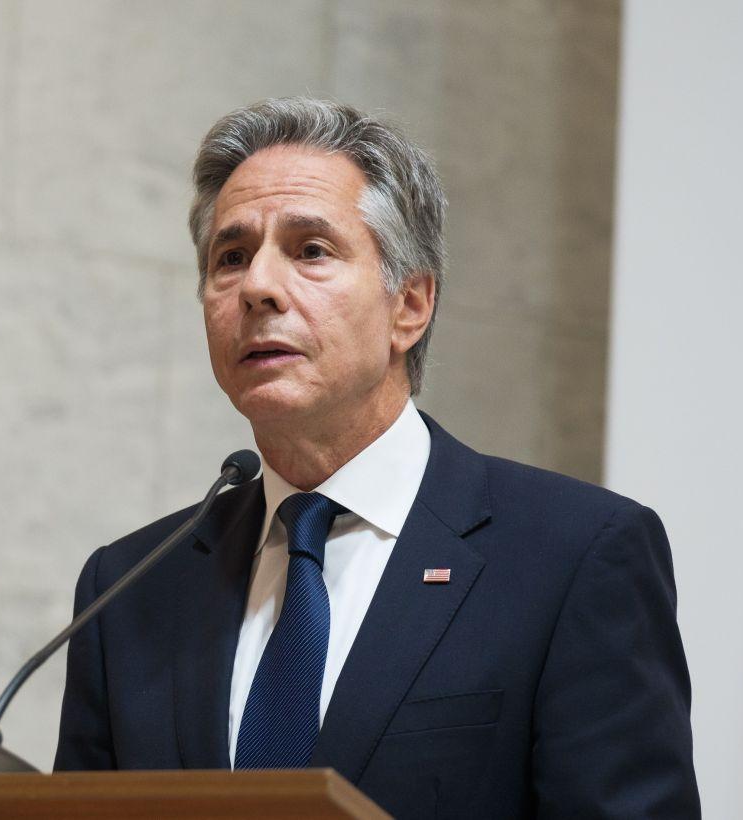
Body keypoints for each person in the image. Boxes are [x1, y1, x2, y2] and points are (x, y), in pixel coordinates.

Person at [54, 97, 700, 818]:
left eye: (311, 250)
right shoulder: (130, 590)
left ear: (410, 305)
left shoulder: (573, 557)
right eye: (230, 258)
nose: (258, 287)